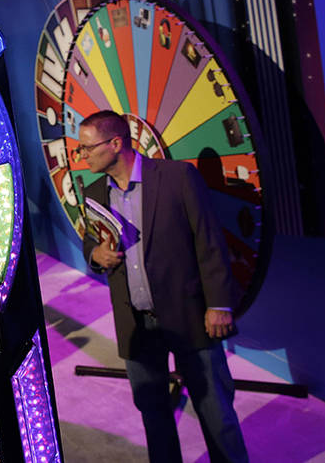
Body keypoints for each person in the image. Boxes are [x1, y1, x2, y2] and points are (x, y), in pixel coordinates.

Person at [77, 110, 248, 463]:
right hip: (137, 325)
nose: (81, 156)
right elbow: (89, 240)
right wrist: (96, 254)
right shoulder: (94, 192)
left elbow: (209, 241)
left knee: (216, 415)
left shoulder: (177, 177)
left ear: (115, 143)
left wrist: (219, 304)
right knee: (154, 417)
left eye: (86, 148)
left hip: (190, 316)